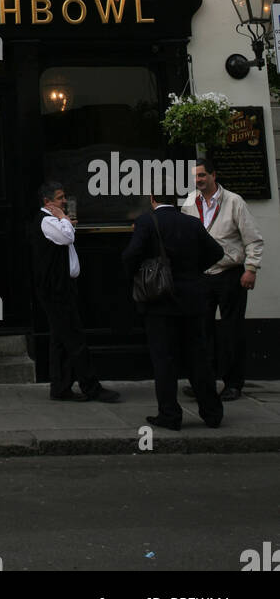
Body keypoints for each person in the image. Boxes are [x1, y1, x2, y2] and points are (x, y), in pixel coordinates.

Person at [122, 192, 225, 430]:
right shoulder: (192, 222)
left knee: (164, 360)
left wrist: (137, 277)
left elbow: (130, 255)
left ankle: (170, 414)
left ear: (152, 199)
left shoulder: (148, 221)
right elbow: (217, 252)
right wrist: (193, 273)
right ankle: (212, 412)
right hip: (192, 301)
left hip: (160, 302)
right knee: (198, 358)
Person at [181, 158, 264, 401]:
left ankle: (233, 383)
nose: (198, 181)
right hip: (202, 275)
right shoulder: (189, 202)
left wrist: (251, 268)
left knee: (232, 330)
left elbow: (253, 239)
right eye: (195, 177)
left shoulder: (234, 201)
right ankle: (204, 383)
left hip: (230, 274)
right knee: (201, 330)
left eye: (202, 175)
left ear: (213, 175)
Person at [30, 180, 120, 403]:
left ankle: (60, 387)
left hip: (62, 287)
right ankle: (92, 387)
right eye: (60, 198)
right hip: (56, 290)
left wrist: (65, 221)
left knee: (60, 339)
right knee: (75, 339)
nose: (64, 201)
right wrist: (64, 219)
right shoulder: (47, 221)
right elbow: (67, 237)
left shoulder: (53, 221)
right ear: (47, 201)